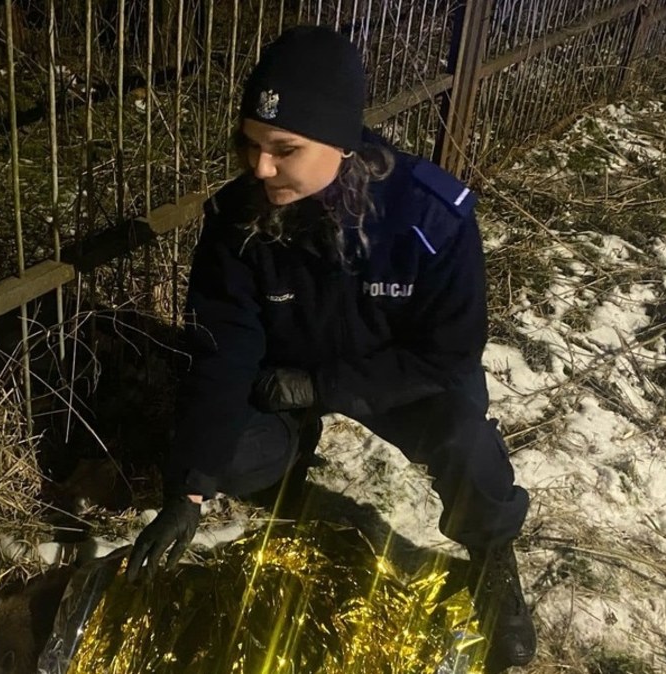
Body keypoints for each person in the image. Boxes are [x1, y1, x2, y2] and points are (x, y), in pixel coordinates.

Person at [125, 25, 535, 669]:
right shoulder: (238, 221)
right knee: (229, 456)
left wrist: (326, 388)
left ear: (340, 143)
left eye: (283, 149)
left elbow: (447, 357)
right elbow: (223, 352)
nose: (260, 168)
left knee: (465, 434)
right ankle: (290, 458)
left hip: (398, 378)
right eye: (250, 145)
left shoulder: (430, 218)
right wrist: (191, 489)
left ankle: (493, 558)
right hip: (282, 374)